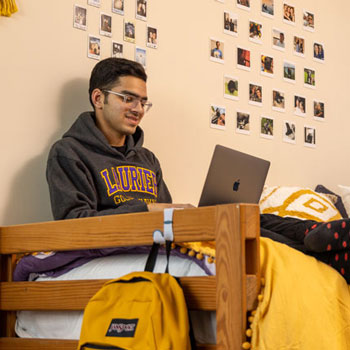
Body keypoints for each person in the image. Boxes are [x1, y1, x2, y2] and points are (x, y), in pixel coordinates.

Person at [47, 58, 191, 220]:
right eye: (128, 99)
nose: (138, 110)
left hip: (152, 244)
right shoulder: (69, 153)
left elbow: (166, 218)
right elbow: (74, 222)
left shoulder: (148, 159)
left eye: (143, 102)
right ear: (98, 99)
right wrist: (146, 210)